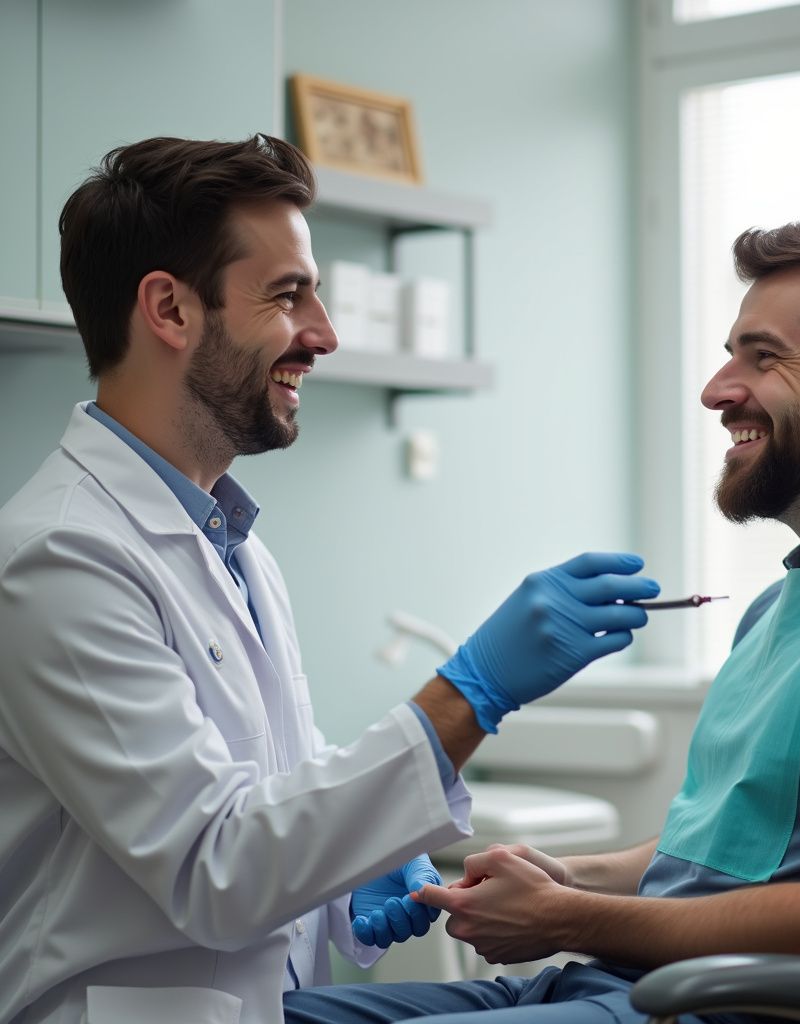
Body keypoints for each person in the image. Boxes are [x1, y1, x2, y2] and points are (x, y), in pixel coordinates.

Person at [281, 215, 800, 1024]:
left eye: (763, 355)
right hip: (629, 987)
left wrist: (568, 919)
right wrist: (559, 877)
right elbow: (715, 857)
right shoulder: (793, 601)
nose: (717, 388)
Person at [0, 134, 660, 1024]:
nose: (323, 333)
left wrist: (361, 868)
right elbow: (214, 867)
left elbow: (269, 797)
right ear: (169, 310)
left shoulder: (234, 545)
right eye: (287, 294)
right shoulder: (60, 558)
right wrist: (467, 696)